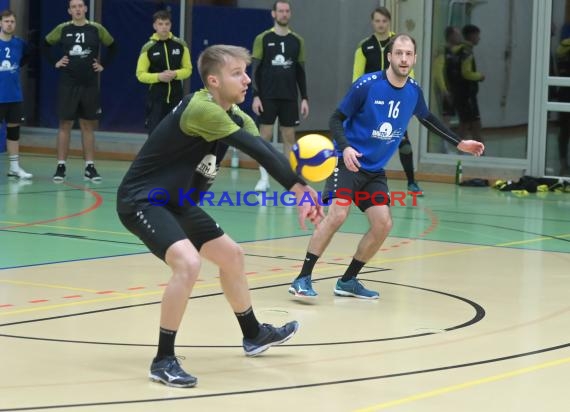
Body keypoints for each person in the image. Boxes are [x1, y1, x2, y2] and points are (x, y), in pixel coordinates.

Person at [116, 44, 323, 388]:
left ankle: (253, 334)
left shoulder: (237, 116)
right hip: (142, 200)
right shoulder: (202, 109)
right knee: (188, 264)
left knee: (233, 257)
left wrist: (298, 187)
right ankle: (163, 359)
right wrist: (298, 186)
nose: (246, 80)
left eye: (246, 72)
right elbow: (254, 148)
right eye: (237, 73)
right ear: (213, 81)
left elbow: (264, 151)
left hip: (177, 201)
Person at [289, 34, 484, 299]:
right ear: (389, 57)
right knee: (338, 214)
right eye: (399, 53)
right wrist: (345, 147)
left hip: (374, 170)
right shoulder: (367, 85)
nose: (404, 58)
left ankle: (348, 281)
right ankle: (303, 278)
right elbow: (336, 118)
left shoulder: (414, 91)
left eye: (408, 54)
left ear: (414, 59)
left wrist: (460, 143)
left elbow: (427, 119)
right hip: (348, 162)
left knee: (383, 224)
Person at [43, 0, 116, 183]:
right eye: (73, 7)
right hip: (68, 84)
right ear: (69, 10)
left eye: (80, 6)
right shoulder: (63, 28)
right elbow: (45, 44)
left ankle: (89, 167)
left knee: (87, 125)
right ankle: (61, 166)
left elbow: (113, 46)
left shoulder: (96, 29)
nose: (77, 9)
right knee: (65, 124)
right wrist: (55, 62)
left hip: (89, 84)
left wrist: (103, 64)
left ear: (85, 8)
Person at [352, 7, 423, 195]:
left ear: (389, 22)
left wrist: (410, 101)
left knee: (403, 143)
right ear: (372, 23)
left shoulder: (398, 45)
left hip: (395, 105)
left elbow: (410, 75)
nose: (381, 25)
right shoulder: (364, 46)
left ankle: (411, 182)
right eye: (377, 21)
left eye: (384, 21)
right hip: (372, 106)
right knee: (366, 141)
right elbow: (357, 78)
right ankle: (358, 180)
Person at [251, 0, 309, 192]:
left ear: (290, 14)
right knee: (263, 138)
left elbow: (300, 71)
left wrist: (305, 98)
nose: (284, 14)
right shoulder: (263, 38)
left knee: (289, 138)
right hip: (267, 96)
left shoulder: (297, 40)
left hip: (289, 97)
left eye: (287, 11)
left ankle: (291, 182)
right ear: (273, 14)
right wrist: (256, 95)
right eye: (280, 11)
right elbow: (255, 69)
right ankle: (263, 179)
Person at [136, 9, 191, 135]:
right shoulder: (148, 47)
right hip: (156, 98)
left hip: (176, 96)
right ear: (155, 26)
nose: (164, 27)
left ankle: (174, 155)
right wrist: (159, 77)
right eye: (160, 24)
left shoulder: (181, 44)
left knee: (176, 133)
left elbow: (188, 70)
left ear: (170, 25)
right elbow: (140, 74)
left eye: (166, 24)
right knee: (155, 133)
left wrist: (176, 74)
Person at [1, 9, 32, 179]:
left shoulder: (19, 43)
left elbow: (26, 57)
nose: (9, 24)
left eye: (12, 21)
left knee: (14, 130)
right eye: (6, 21)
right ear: (0, 23)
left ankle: (14, 167)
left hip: (14, 95)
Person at [448, 24, 485, 144]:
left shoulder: (459, 50)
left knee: (464, 124)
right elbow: (466, 73)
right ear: (472, 35)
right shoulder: (467, 51)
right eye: (477, 35)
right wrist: (480, 76)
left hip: (460, 93)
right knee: (475, 125)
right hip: (467, 94)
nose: (479, 38)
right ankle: (481, 154)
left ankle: (459, 150)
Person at [432, 26, 462, 153]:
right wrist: (444, 90)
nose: (459, 37)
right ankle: (444, 147)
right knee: (446, 119)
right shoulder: (444, 51)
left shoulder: (456, 51)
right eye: (457, 34)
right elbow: (438, 72)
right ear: (450, 36)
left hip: (454, 90)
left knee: (451, 119)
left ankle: (451, 146)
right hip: (446, 90)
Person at [556, 26, 570, 176]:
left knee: (564, 130)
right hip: (566, 93)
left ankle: (563, 161)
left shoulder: (563, 47)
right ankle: (563, 162)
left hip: (564, 93)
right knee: (565, 130)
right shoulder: (565, 47)